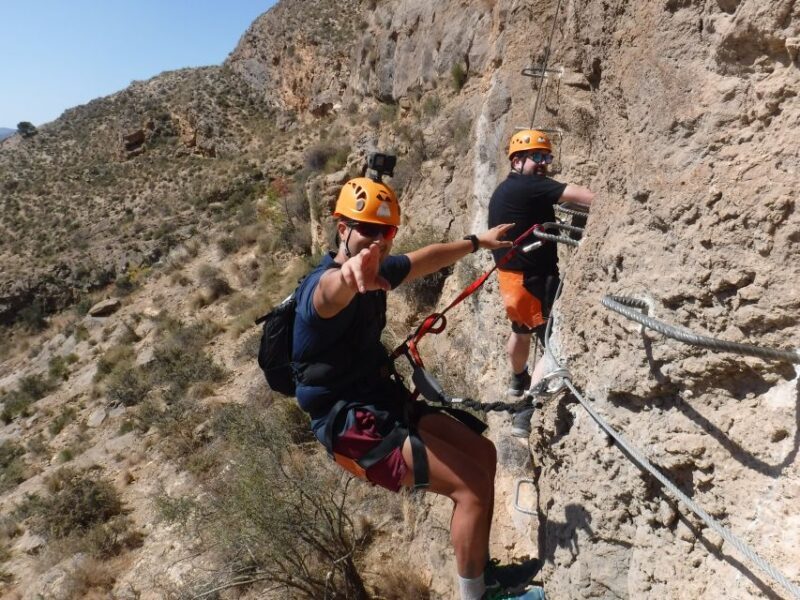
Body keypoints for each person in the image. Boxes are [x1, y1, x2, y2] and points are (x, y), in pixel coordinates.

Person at [292, 173, 539, 599]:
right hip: (349, 424)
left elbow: (423, 259)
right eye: (367, 229)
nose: (378, 240)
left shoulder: (376, 269)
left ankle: (482, 574)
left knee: (484, 453)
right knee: (470, 487)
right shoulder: (323, 289)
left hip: (378, 401)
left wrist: (477, 242)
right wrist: (348, 278)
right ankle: (477, 596)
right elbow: (329, 295)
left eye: (386, 232)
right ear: (342, 228)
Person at [488, 130, 594, 438]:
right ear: (517, 160)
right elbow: (589, 198)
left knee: (520, 330)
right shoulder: (531, 185)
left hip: (511, 281)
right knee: (553, 340)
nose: (544, 164)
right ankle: (525, 412)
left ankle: (517, 378)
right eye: (538, 157)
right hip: (534, 280)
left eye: (547, 158)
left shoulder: (506, 188)